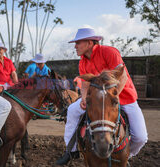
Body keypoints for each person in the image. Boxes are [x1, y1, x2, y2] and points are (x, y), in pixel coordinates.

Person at [56, 28, 148, 165]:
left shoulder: (109, 52)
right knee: (72, 110)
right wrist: (83, 98)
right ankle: (71, 150)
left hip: (124, 97)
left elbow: (121, 76)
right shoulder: (82, 62)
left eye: (78, 42)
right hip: (97, 100)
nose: (75, 46)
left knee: (141, 137)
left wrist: (113, 96)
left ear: (89, 43)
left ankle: (126, 155)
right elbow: (85, 83)